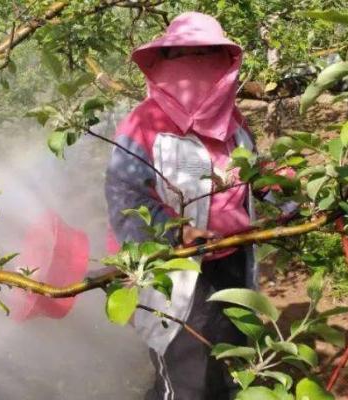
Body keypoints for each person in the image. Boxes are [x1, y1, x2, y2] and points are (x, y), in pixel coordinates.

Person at [104, 12, 258, 400]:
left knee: (231, 359)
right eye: (183, 56)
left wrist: (297, 196)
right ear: (166, 61)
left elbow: (255, 176)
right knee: (184, 372)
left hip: (232, 263)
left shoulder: (234, 123)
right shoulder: (143, 125)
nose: (194, 66)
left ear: (223, 63)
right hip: (177, 271)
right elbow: (125, 196)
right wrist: (175, 231)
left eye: (205, 54)